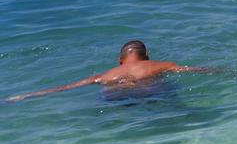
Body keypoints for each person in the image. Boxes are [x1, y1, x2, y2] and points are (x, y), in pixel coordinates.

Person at [8, 40, 212, 102]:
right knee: (169, 100)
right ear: (146, 55)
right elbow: (197, 70)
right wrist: (234, 72)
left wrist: (23, 96)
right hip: (150, 91)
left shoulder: (103, 75)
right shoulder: (162, 65)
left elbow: (63, 88)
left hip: (113, 95)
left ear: (120, 60)